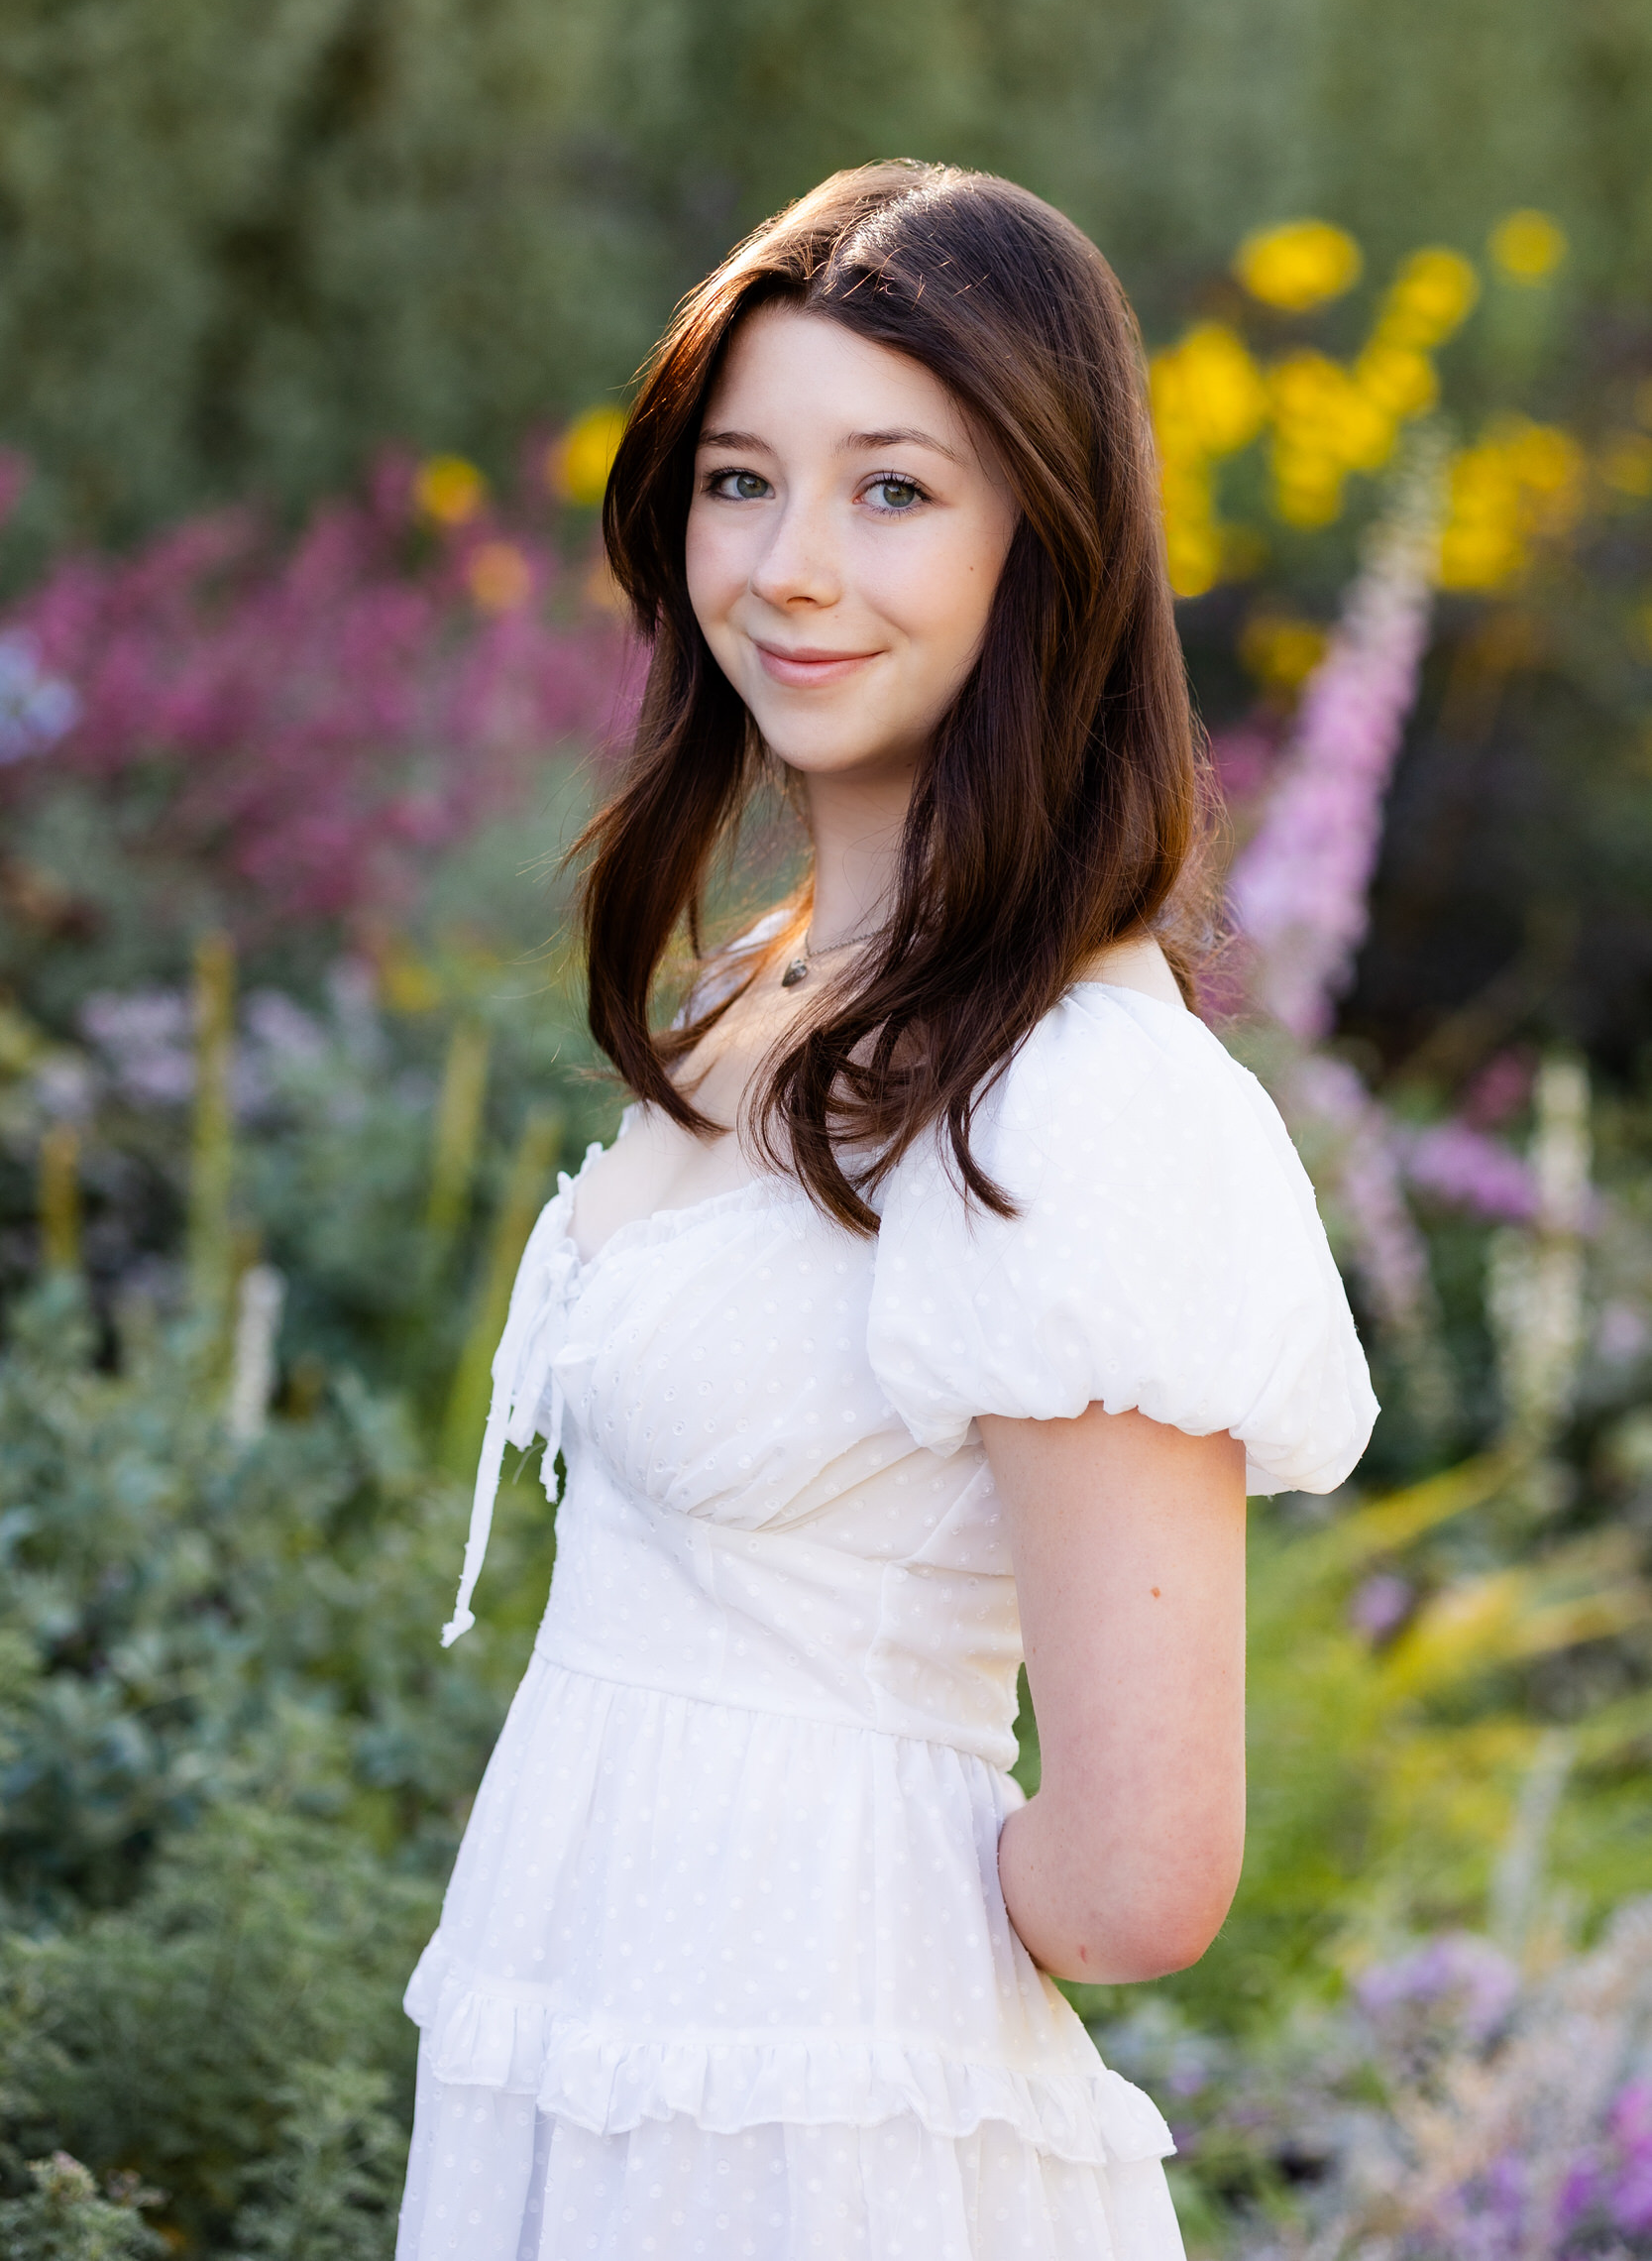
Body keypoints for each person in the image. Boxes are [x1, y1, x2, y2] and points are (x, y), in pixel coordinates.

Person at [395, 161, 1377, 2261]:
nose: (791, 566)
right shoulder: (771, 979)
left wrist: (815, 1869)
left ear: (1050, 535)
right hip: (605, 2053)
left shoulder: (1075, 1101)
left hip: (815, 2122)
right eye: (741, 479)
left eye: (896, 490)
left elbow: (1140, 1872)